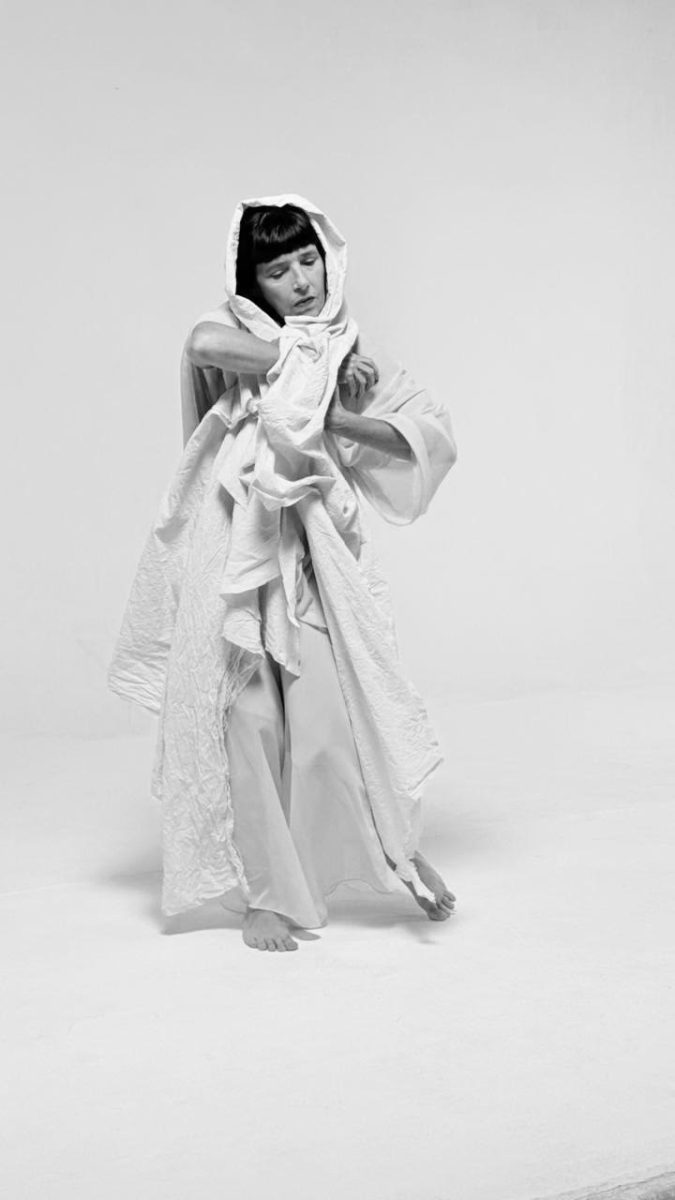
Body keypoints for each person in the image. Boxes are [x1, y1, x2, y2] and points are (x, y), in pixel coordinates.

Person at [108, 194, 458, 952]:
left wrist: (337, 406)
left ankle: (392, 851)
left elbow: (424, 437)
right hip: (231, 548)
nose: (300, 281)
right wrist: (311, 363)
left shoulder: (352, 344)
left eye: (308, 261)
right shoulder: (243, 332)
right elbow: (202, 342)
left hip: (311, 554)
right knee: (248, 721)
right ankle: (267, 897)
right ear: (252, 282)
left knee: (332, 721)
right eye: (277, 269)